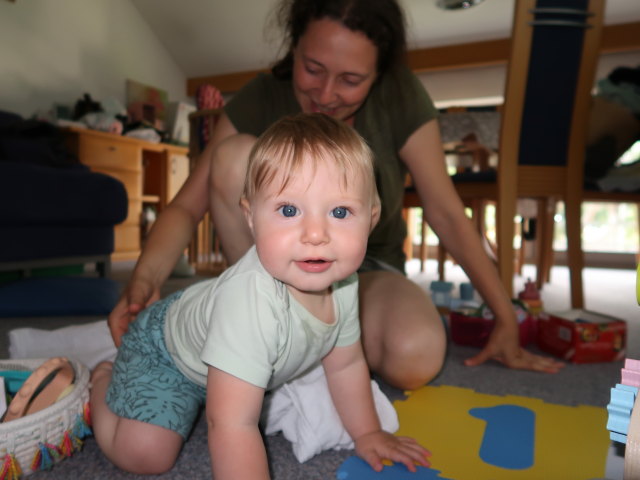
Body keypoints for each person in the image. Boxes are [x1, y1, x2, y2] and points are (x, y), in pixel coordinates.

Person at [109, 0, 564, 390]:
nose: (326, 94)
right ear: (295, 48)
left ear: (379, 73)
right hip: (269, 273)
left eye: (350, 80)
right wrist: (144, 281)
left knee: (417, 357)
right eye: (313, 69)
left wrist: (505, 316)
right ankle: (264, 326)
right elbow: (188, 206)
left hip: (362, 270)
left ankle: (294, 352)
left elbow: (445, 212)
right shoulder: (260, 97)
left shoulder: (401, 97)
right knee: (233, 158)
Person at [91, 113, 431, 476]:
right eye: (288, 210)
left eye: (340, 211)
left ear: (372, 218)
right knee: (144, 455)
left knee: (237, 390)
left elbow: (346, 364)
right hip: (165, 356)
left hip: (224, 360)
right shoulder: (249, 303)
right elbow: (232, 425)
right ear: (251, 217)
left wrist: (367, 433)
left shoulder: (344, 283)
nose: (315, 234)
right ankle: (101, 380)